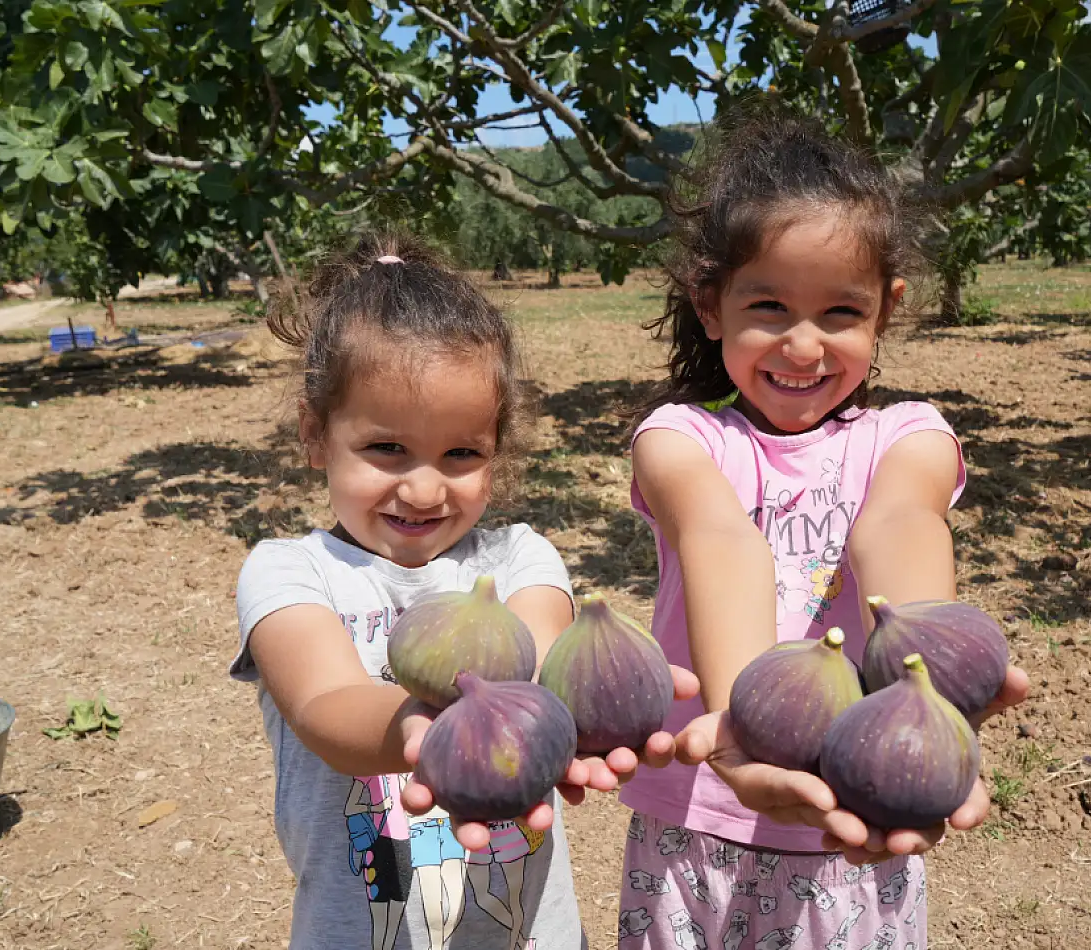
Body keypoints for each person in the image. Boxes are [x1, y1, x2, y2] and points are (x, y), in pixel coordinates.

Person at [618, 105, 1031, 949]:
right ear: (711, 306)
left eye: (840, 313)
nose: (803, 346)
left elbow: (900, 525)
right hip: (700, 818)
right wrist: (745, 724)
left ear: (887, 309)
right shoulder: (682, 438)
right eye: (768, 305)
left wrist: (925, 698)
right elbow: (718, 538)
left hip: (857, 813)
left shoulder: (907, 436)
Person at [229, 230, 694, 950]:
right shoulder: (288, 570)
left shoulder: (516, 560)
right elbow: (324, 705)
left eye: (460, 454)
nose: (422, 487)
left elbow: (537, 672)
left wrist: (610, 693)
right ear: (315, 434)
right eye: (387, 448)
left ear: (495, 449)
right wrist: (425, 730)